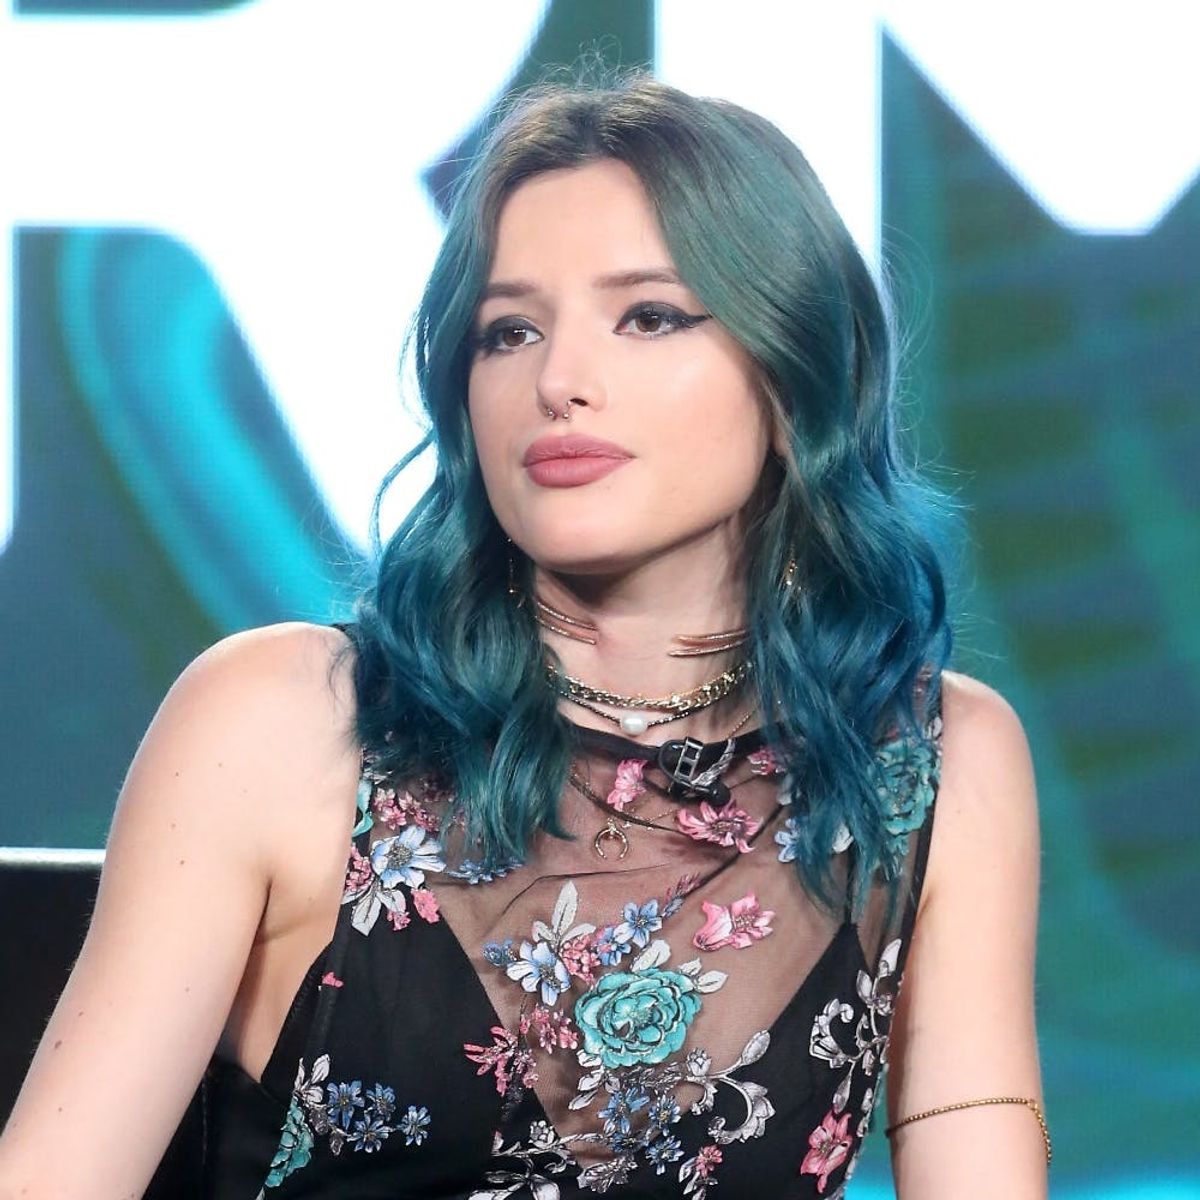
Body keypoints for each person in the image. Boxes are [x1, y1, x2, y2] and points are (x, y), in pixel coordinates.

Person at [0, 71, 1047, 1198]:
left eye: (648, 316)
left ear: (793, 379)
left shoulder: (932, 759)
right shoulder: (282, 722)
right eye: (510, 331)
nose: (559, 381)